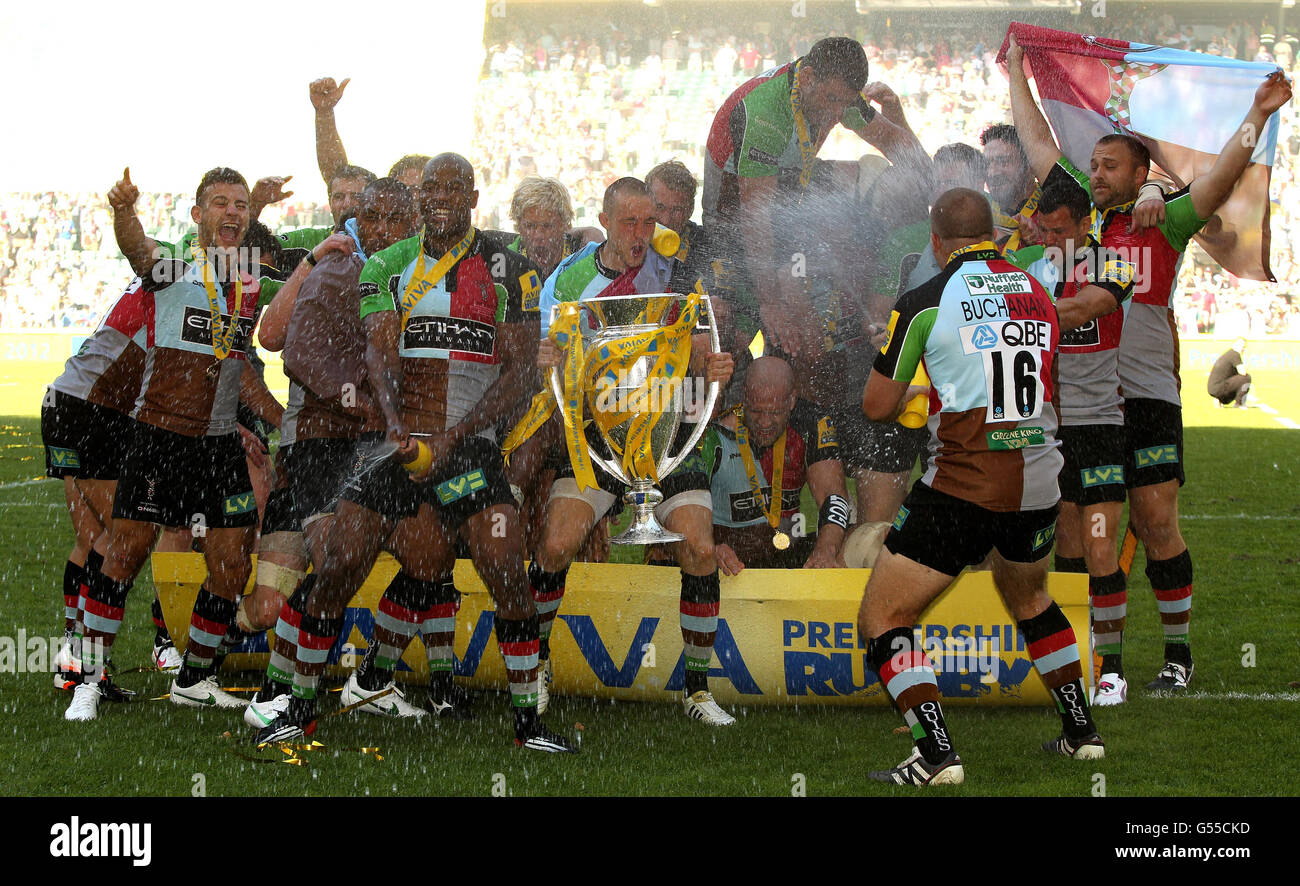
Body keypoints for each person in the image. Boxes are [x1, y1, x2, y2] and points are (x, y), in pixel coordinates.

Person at [254, 154, 576, 752]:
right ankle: (296, 707)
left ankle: (530, 723)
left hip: (467, 453)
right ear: (419, 197)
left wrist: (456, 437)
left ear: (474, 197)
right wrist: (399, 429)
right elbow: (378, 352)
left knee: (505, 566)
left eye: (454, 188)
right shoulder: (387, 264)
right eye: (432, 188)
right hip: (398, 450)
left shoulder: (511, 269)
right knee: (340, 564)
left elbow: (520, 374)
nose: (441, 198)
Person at [1009, 35, 1293, 691]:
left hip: (1148, 397)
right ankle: (1094, 663)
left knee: (1158, 522)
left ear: (1142, 175)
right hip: (1082, 404)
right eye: (1095, 163)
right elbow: (1039, 147)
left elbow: (1220, 180)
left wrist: (1261, 112)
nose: (1098, 171)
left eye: (1112, 164)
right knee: (1078, 535)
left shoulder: (1160, 221)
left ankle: (1177, 658)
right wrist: (1017, 73)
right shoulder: (1077, 224)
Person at [858, 188, 1104, 785]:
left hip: (964, 483)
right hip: (1041, 477)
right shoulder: (1038, 290)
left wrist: (916, 392)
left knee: (883, 616)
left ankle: (937, 755)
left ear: (937, 243)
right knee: (1031, 598)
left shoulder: (924, 299)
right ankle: (1082, 734)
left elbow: (875, 404)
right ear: (994, 237)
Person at [65, 167, 284, 721]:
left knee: (233, 566)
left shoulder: (250, 283)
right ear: (197, 216)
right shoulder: (174, 268)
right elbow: (136, 247)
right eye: (219, 203)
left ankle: (194, 677)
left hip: (217, 448)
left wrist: (280, 419)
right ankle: (88, 683)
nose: (231, 212)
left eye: (239, 204)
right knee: (124, 557)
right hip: (159, 438)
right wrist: (122, 211)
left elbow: (241, 373)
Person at [523, 177, 736, 725]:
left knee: (700, 548)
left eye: (649, 223)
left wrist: (711, 365)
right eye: (628, 223)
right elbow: (549, 360)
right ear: (604, 218)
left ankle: (696, 689)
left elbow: (699, 346)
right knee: (555, 545)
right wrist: (546, 358)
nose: (640, 235)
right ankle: (537, 665)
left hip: (667, 434)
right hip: (599, 438)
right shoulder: (568, 280)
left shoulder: (676, 270)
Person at [237, 179, 433, 730]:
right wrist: (367, 408)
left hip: (377, 444)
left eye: (398, 220)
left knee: (426, 555)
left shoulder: (413, 274)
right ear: (357, 224)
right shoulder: (338, 270)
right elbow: (299, 356)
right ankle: (277, 692)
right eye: (374, 220)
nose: (386, 231)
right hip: (322, 441)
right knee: (335, 559)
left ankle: (370, 679)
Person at [703, 36, 926, 361]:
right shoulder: (767, 110)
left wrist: (943, 194)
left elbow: (894, 140)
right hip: (732, 217)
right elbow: (757, 216)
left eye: (844, 104)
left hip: (783, 195)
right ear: (806, 78)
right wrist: (770, 302)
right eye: (832, 100)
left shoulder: (835, 92)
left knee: (877, 179)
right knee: (749, 332)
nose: (838, 113)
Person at [1007, 177, 1139, 706]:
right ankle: (1077, 653)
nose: (1053, 238)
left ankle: (1111, 668)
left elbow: (1079, 311)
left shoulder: (1118, 265)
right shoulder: (1037, 262)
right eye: (1046, 228)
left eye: (1061, 230)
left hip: (1102, 427)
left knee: (1101, 542)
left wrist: (1015, 310)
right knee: (1065, 546)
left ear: (1085, 224)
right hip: (1051, 430)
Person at [703, 356, 850, 573]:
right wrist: (709, 549)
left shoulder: (810, 422)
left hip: (790, 552)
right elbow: (679, 508)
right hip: (730, 563)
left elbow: (834, 497)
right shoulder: (716, 430)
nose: (764, 423)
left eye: (774, 413)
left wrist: (826, 550)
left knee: (866, 540)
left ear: (791, 401)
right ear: (744, 396)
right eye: (755, 411)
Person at [981, 123, 1042, 251]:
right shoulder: (982, 219)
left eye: (1003, 161)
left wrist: (1039, 241)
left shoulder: (1053, 210)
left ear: (1029, 165)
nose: (992, 173)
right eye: (986, 164)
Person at [1207, 339, 1252, 406]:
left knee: (1238, 378)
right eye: (1241, 346)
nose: (1242, 348)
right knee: (1246, 378)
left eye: (1244, 346)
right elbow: (1243, 372)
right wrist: (1245, 356)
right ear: (1234, 345)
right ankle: (1239, 403)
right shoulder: (1234, 354)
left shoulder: (1229, 353)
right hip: (1218, 387)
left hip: (1213, 388)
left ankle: (1220, 399)